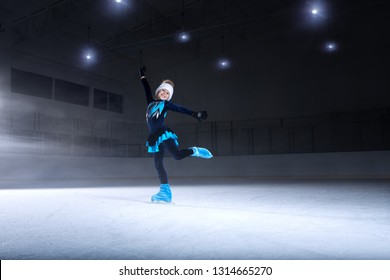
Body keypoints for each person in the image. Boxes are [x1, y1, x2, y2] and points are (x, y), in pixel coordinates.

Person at [139, 66, 213, 203]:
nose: (164, 94)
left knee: (177, 156)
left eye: (167, 93)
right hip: (154, 138)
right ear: (158, 91)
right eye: (162, 90)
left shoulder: (165, 104)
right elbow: (146, 88)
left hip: (163, 133)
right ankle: (165, 192)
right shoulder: (150, 102)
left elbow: (179, 108)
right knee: (158, 164)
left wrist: (193, 113)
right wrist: (142, 76)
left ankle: (195, 150)